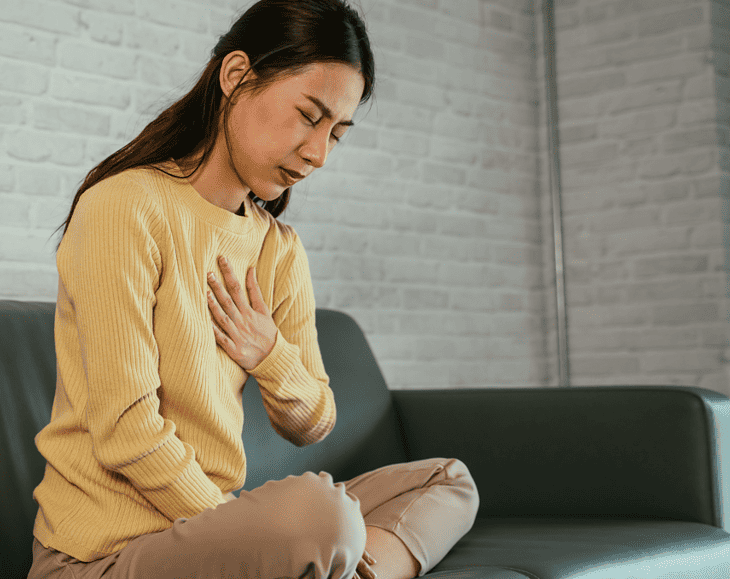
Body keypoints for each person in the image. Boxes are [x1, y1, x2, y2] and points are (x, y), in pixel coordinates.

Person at [27, 1, 479, 578]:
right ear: (237, 76)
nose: (318, 154)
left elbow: (314, 419)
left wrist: (269, 355)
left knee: (447, 481)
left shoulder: (278, 249)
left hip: (211, 534)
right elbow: (126, 431)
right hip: (104, 559)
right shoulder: (126, 206)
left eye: (337, 133)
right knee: (321, 516)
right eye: (308, 116)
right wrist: (239, 529)